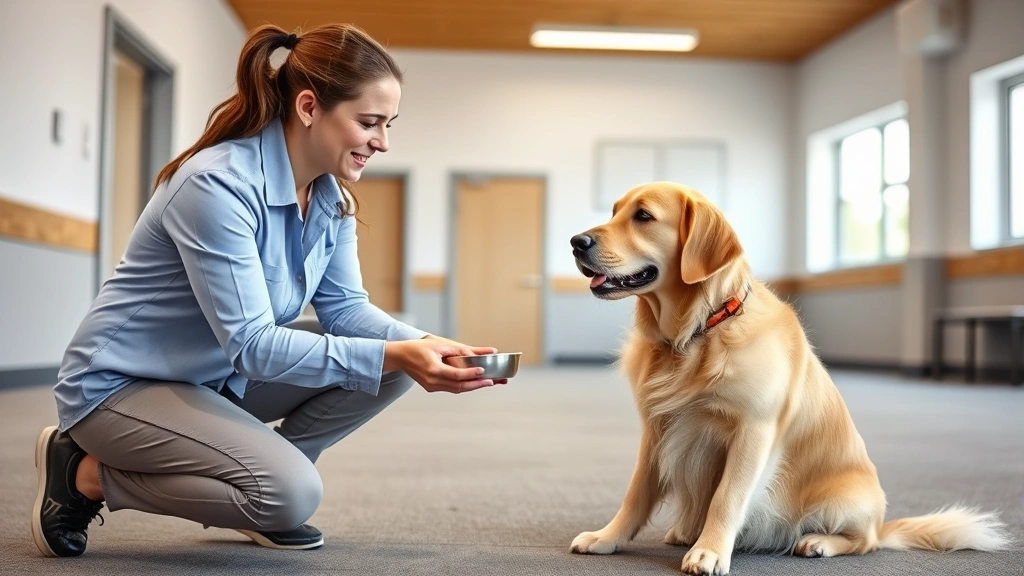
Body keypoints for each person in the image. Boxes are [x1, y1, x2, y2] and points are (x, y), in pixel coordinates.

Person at [32, 23, 506, 558]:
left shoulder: (329, 196)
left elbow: (346, 309)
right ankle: (85, 474)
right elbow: (254, 345)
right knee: (295, 488)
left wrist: (427, 344)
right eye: (369, 122)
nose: (383, 141)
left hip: (214, 379)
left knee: (392, 367)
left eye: (388, 124)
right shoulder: (216, 184)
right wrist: (397, 351)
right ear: (309, 107)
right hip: (121, 387)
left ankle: (259, 483)